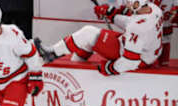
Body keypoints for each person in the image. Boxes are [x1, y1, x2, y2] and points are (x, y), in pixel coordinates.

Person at [34, 0, 163, 76]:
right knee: (89, 40)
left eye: (129, 3)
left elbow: (131, 61)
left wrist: (110, 68)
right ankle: (76, 65)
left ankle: (50, 54)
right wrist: (111, 14)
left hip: (138, 59)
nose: (126, 4)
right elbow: (131, 21)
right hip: (146, 53)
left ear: (136, 4)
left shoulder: (138, 28)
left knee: (88, 33)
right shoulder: (154, 9)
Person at [154, 0, 178, 66]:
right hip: (151, 27)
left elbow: (176, 9)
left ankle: (164, 63)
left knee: (165, 44)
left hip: (165, 26)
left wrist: (174, 12)